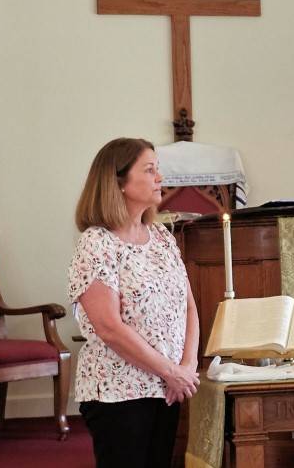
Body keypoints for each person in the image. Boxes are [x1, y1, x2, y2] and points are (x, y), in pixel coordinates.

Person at [68, 137, 200, 468]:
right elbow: (109, 328)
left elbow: (188, 307)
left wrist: (187, 367)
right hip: (119, 392)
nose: (160, 178)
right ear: (119, 182)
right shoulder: (96, 244)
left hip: (167, 388)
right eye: (150, 170)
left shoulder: (162, 237)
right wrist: (172, 371)